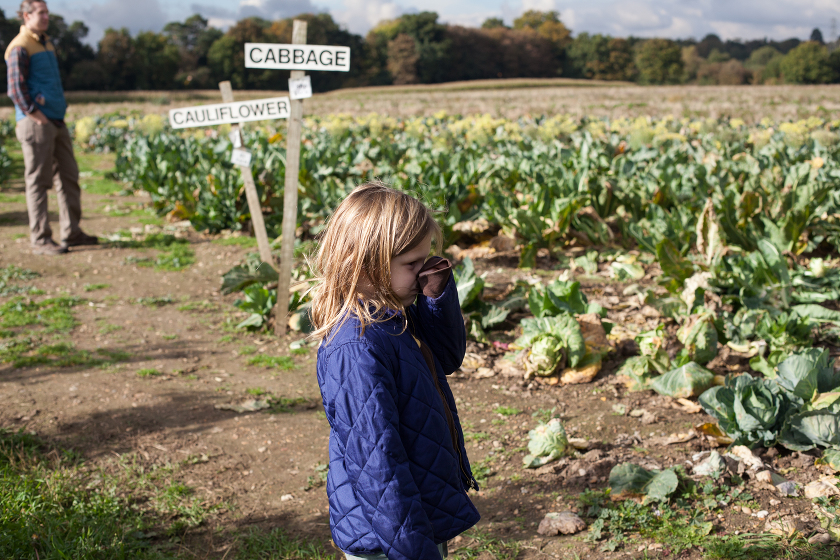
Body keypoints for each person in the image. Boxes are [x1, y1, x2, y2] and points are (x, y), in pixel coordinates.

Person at [310, 183, 480, 560]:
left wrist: (437, 297)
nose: (424, 274)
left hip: (414, 515)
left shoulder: (391, 315)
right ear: (363, 262)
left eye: (427, 261)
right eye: (412, 265)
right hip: (389, 535)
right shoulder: (356, 347)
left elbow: (448, 357)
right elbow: (378, 466)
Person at [5, 0, 97, 255]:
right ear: (26, 15)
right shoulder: (20, 46)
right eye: (41, 12)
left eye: (47, 12)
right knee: (38, 181)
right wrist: (37, 116)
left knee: (69, 176)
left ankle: (72, 232)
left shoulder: (45, 42)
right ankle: (41, 238)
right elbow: (15, 88)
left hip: (56, 121)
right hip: (36, 123)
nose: (46, 17)